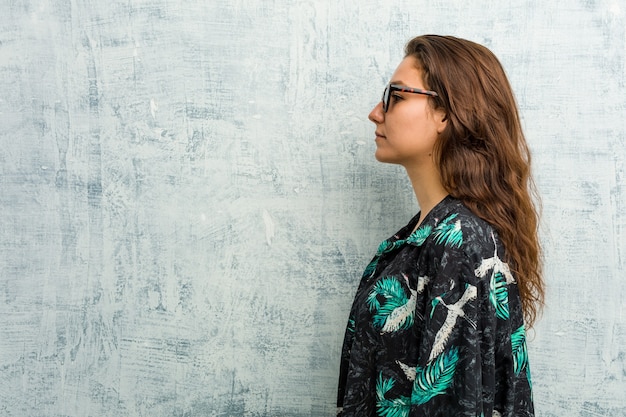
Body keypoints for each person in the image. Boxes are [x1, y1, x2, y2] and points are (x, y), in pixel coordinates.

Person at [337, 35, 545, 417]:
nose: (375, 113)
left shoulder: (460, 244)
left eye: (396, 97)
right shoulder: (425, 237)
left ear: (446, 114)